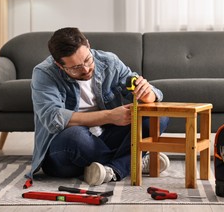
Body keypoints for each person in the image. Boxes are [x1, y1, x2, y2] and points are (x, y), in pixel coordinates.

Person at [26, 27, 170, 186]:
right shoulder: (44, 73)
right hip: (66, 149)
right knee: (76, 137)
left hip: (106, 136)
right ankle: (132, 161)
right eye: (75, 68)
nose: (86, 69)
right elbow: (53, 118)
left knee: (158, 115)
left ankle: (110, 168)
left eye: (87, 60)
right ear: (59, 65)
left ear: (88, 45)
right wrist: (109, 116)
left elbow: (151, 95)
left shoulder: (109, 61)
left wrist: (146, 92)